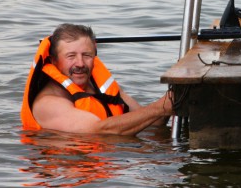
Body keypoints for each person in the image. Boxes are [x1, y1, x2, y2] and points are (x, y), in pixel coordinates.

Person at [21, 23, 173, 135]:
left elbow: (155, 122)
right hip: (72, 172)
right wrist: (161, 107)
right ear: (54, 61)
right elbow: (100, 131)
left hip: (111, 164)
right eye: (71, 56)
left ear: (94, 56)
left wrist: (176, 96)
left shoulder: (102, 88)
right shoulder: (48, 103)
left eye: (86, 55)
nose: (80, 64)